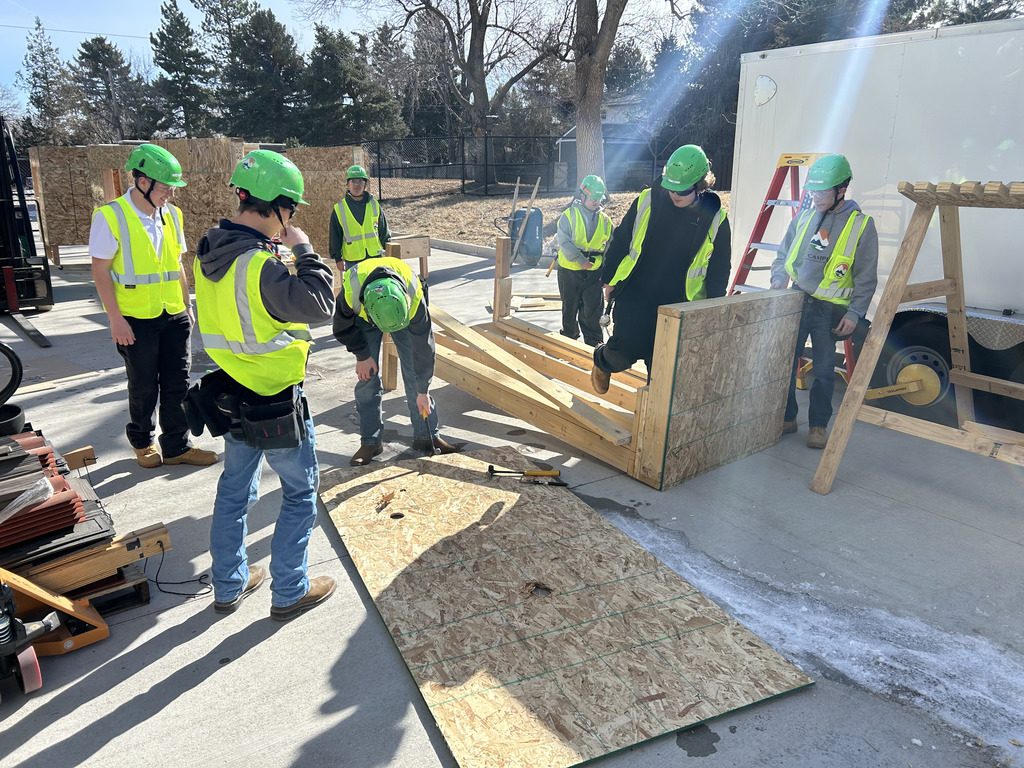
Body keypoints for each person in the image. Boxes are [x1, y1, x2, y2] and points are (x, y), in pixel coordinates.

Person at [193, 150, 337, 621]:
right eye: (290, 210)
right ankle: (289, 590)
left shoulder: (210, 253)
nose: (289, 220)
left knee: (235, 493)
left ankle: (229, 583)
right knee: (299, 493)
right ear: (277, 206)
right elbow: (319, 305)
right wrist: (305, 250)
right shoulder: (259, 267)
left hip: (231, 393)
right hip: (275, 401)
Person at [90, 144, 217, 469]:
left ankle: (176, 446)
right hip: (134, 318)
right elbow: (101, 271)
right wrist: (115, 319)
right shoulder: (111, 216)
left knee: (177, 382)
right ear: (142, 181)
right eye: (165, 187)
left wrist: (187, 305)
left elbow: (176, 264)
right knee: (144, 385)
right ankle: (142, 441)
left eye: (173, 187)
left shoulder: (172, 215)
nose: (171, 194)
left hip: (173, 313)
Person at [590, 145, 731, 394]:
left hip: (679, 303)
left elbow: (720, 268)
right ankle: (602, 361)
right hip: (636, 293)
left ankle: (653, 417)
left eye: (682, 191)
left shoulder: (716, 218)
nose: (674, 195)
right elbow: (621, 240)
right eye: (671, 188)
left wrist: (713, 308)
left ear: (701, 186)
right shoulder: (647, 200)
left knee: (664, 369)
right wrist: (609, 280)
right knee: (623, 353)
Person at [770, 153, 878, 449]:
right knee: (784, 364)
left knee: (824, 372)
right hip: (794, 301)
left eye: (822, 192)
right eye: (812, 192)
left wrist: (855, 313)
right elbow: (783, 255)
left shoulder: (861, 225)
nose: (815, 197)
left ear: (841, 190)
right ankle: (787, 418)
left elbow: (867, 277)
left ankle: (817, 426)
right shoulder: (805, 216)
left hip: (828, 311)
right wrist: (778, 277)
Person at [332, 255, 463, 466]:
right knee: (367, 379)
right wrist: (362, 355)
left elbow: (424, 348)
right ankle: (371, 441)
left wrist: (423, 391)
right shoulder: (350, 293)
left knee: (414, 372)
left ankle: (426, 436)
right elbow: (340, 327)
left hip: (401, 315)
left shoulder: (414, 298)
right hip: (364, 320)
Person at [554, 174, 613, 347]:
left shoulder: (605, 221)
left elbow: (611, 247)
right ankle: (569, 337)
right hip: (569, 270)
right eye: (593, 198)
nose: (596, 202)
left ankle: (594, 342)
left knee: (593, 308)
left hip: (594, 272)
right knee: (570, 306)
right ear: (582, 196)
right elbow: (563, 241)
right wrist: (580, 260)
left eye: (598, 199)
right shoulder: (568, 215)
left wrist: (606, 272)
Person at [329, 164, 390, 269]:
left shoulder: (374, 205)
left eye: (360, 181)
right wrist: (337, 258)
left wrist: (389, 252)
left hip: (375, 257)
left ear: (365, 185)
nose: (356, 185)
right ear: (347, 184)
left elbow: (384, 231)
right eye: (353, 181)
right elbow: (335, 235)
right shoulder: (339, 209)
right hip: (353, 261)